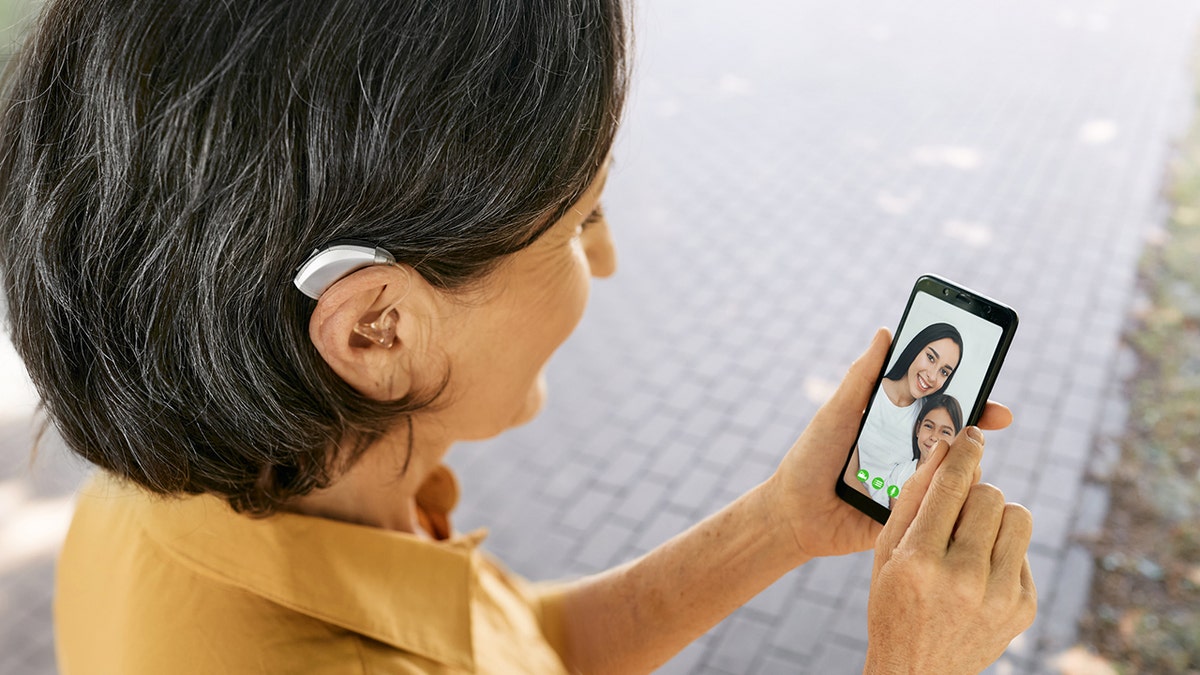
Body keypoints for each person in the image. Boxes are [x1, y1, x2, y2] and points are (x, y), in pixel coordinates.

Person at [0, 1, 1035, 673]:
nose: (613, 257)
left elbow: (517, 651)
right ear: (378, 327)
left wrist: (780, 523)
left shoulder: (180, 477)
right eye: (582, 220)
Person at [854, 322, 963, 506]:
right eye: (930, 357)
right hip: (854, 506)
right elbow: (847, 472)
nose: (933, 377)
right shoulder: (869, 390)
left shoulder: (928, 420)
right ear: (916, 348)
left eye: (944, 371)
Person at [886, 394, 965, 507]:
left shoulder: (949, 485)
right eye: (929, 426)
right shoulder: (901, 472)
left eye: (945, 432)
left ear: (955, 440)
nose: (934, 437)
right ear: (918, 429)